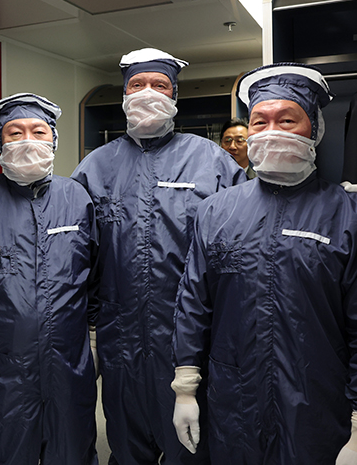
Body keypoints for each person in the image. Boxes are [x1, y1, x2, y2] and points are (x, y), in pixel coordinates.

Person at [171, 63, 357, 464]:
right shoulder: (215, 212)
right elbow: (193, 303)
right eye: (260, 121)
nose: (272, 130)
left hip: (316, 409)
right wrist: (186, 385)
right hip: (234, 406)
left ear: (314, 128)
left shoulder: (353, 216)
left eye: (287, 119)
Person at [70, 48, 246, 464]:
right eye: (137, 85)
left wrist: (325, 203)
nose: (147, 93)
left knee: (192, 446)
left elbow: (253, 226)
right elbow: (67, 242)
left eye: (159, 85)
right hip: (120, 337)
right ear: (124, 96)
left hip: (190, 338)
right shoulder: (95, 166)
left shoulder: (211, 161)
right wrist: (7, 198)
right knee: (127, 444)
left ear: (175, 95)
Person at [0, 93, 100, 464]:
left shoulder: (77, 200)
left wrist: (93, 342)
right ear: (0, 141)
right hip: (2, 376)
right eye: (15, 132)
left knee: (73, 454)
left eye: (38, 131)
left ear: (53, 140)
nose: (27, 140)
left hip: (68, 370)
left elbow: (95, 278)